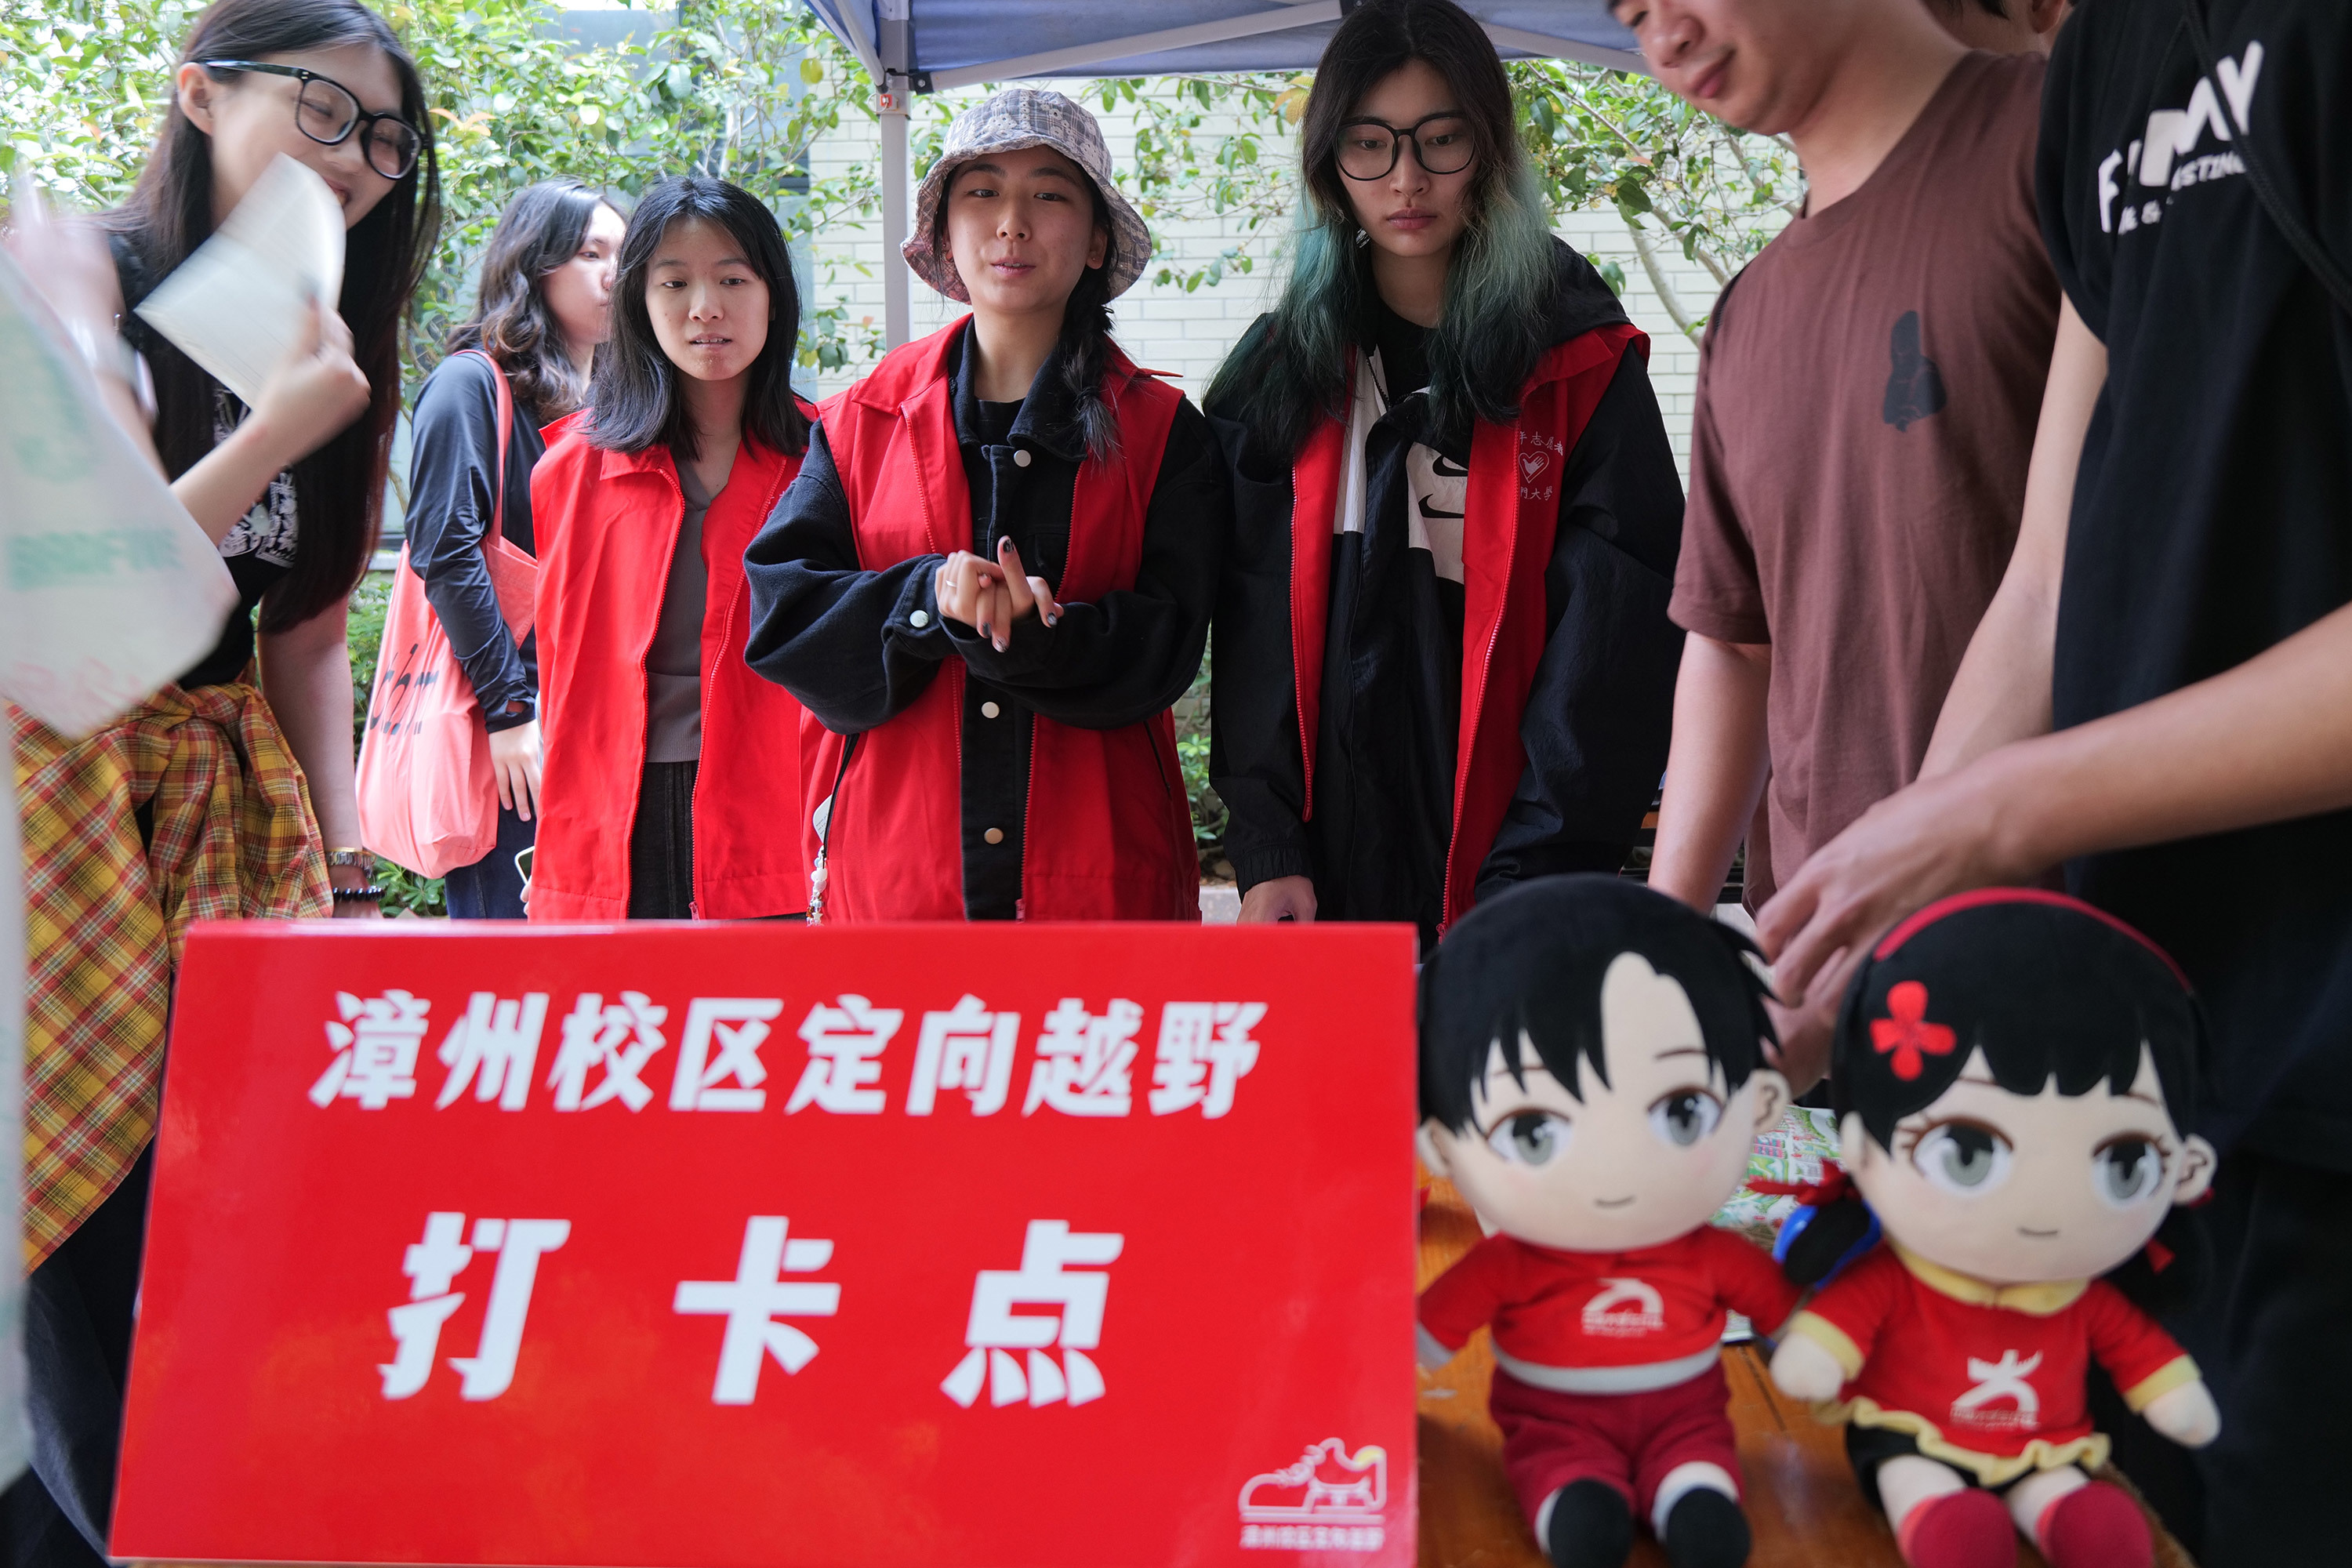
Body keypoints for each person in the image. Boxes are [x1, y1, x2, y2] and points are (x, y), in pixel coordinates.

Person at [1753, 5, 2352, 1563]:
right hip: (2136, 1079)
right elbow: (2048, 574)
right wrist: (1869, 921)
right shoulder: (2099, 68)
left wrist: (2000, 812)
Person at [1, 0, 437, 1556]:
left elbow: (304, 643)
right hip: (54, 814)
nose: (361, 160)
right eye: (327, 110)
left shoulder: (329, 341)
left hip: (219, 817)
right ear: (198, 94)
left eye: (388, 138)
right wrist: (279, 426)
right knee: (78, 1214)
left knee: (214, 1203)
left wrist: (349, 885)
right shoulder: (73, 286)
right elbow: (78, 603)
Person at [1622, 0, 2060, 1085]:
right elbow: (1733, 642)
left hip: (2079, 960)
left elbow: (2067, 576)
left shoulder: (2068, 144)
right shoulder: (1748, 312)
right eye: (1630, 14)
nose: (1665, 38)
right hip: (1834, 988)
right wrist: (1663, 941)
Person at [1207, 0, 1685, 950]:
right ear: (1329, 165)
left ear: (1490, 150)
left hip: (1517, 868)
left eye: (1442, 139)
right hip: (1324, 870)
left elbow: (1616, 647)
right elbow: (1249, 628)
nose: (1407, 178)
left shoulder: (1575, 362)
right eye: (1369, 144)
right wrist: (1268, 845)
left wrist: (1537, 870)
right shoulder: (1281, 373)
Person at [744, 89, 1225, 922]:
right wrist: (926, 597)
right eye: (982, 192)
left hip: (1101, 890)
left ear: (1097, 238)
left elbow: (1167, 645)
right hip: (901, 891)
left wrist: (1043, 637)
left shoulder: (1163, 433)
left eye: (1049, 194)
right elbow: (787, 617)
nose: (1012, 223)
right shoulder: (861, 422)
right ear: (944, 234)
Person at [527, 176, 815, 921]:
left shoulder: (828, 460)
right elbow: (561, 668)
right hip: (619, 810)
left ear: (774, 295)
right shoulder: (573, 469)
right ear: (639, 302)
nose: (705, 308)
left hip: (780, 807)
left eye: (733, 280)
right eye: (675, 283)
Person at [405, 179, 626, 919]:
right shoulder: (471, 384)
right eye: (591, 254)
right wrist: (508, 710)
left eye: (625, 255)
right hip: (511, 723)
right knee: (511, 947)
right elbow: (447, 552)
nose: (615, 275)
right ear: (536, 265)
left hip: (595, 719)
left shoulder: (613, 405)